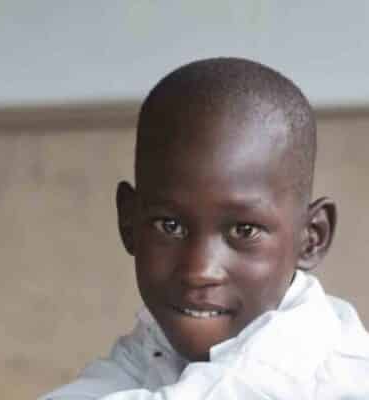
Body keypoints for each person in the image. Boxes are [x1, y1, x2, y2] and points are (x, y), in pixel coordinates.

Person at [39, 58, 369, 399]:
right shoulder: (158, 344)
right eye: (170, 226)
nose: (199, 270)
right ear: (129, 221)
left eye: (244, 230)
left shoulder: (305, 367)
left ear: (311, 237)